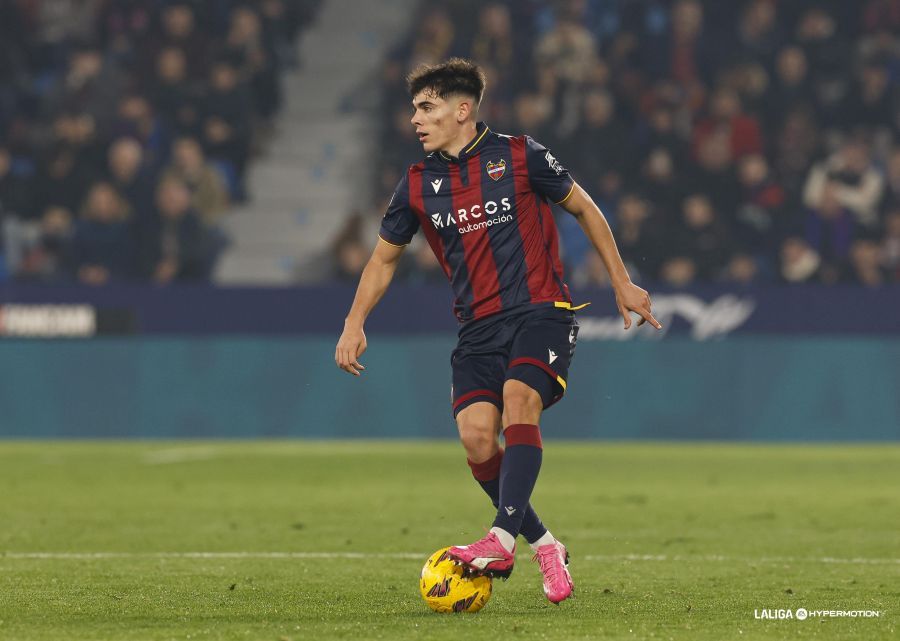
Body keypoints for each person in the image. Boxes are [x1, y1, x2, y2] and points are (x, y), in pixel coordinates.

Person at [334, 58, 661, 605]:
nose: (416, 118)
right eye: (415, 108)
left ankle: (502, 538)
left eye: (427, 107)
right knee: (478, 438)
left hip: (542, 312)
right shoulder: (416, 184)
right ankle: (546, 545)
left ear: (462, 110)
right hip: (478, 328)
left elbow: (584, 207)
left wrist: (622, 282)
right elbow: (383, 260)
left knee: (518, 400)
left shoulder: (520, 154)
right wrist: (354, 321)